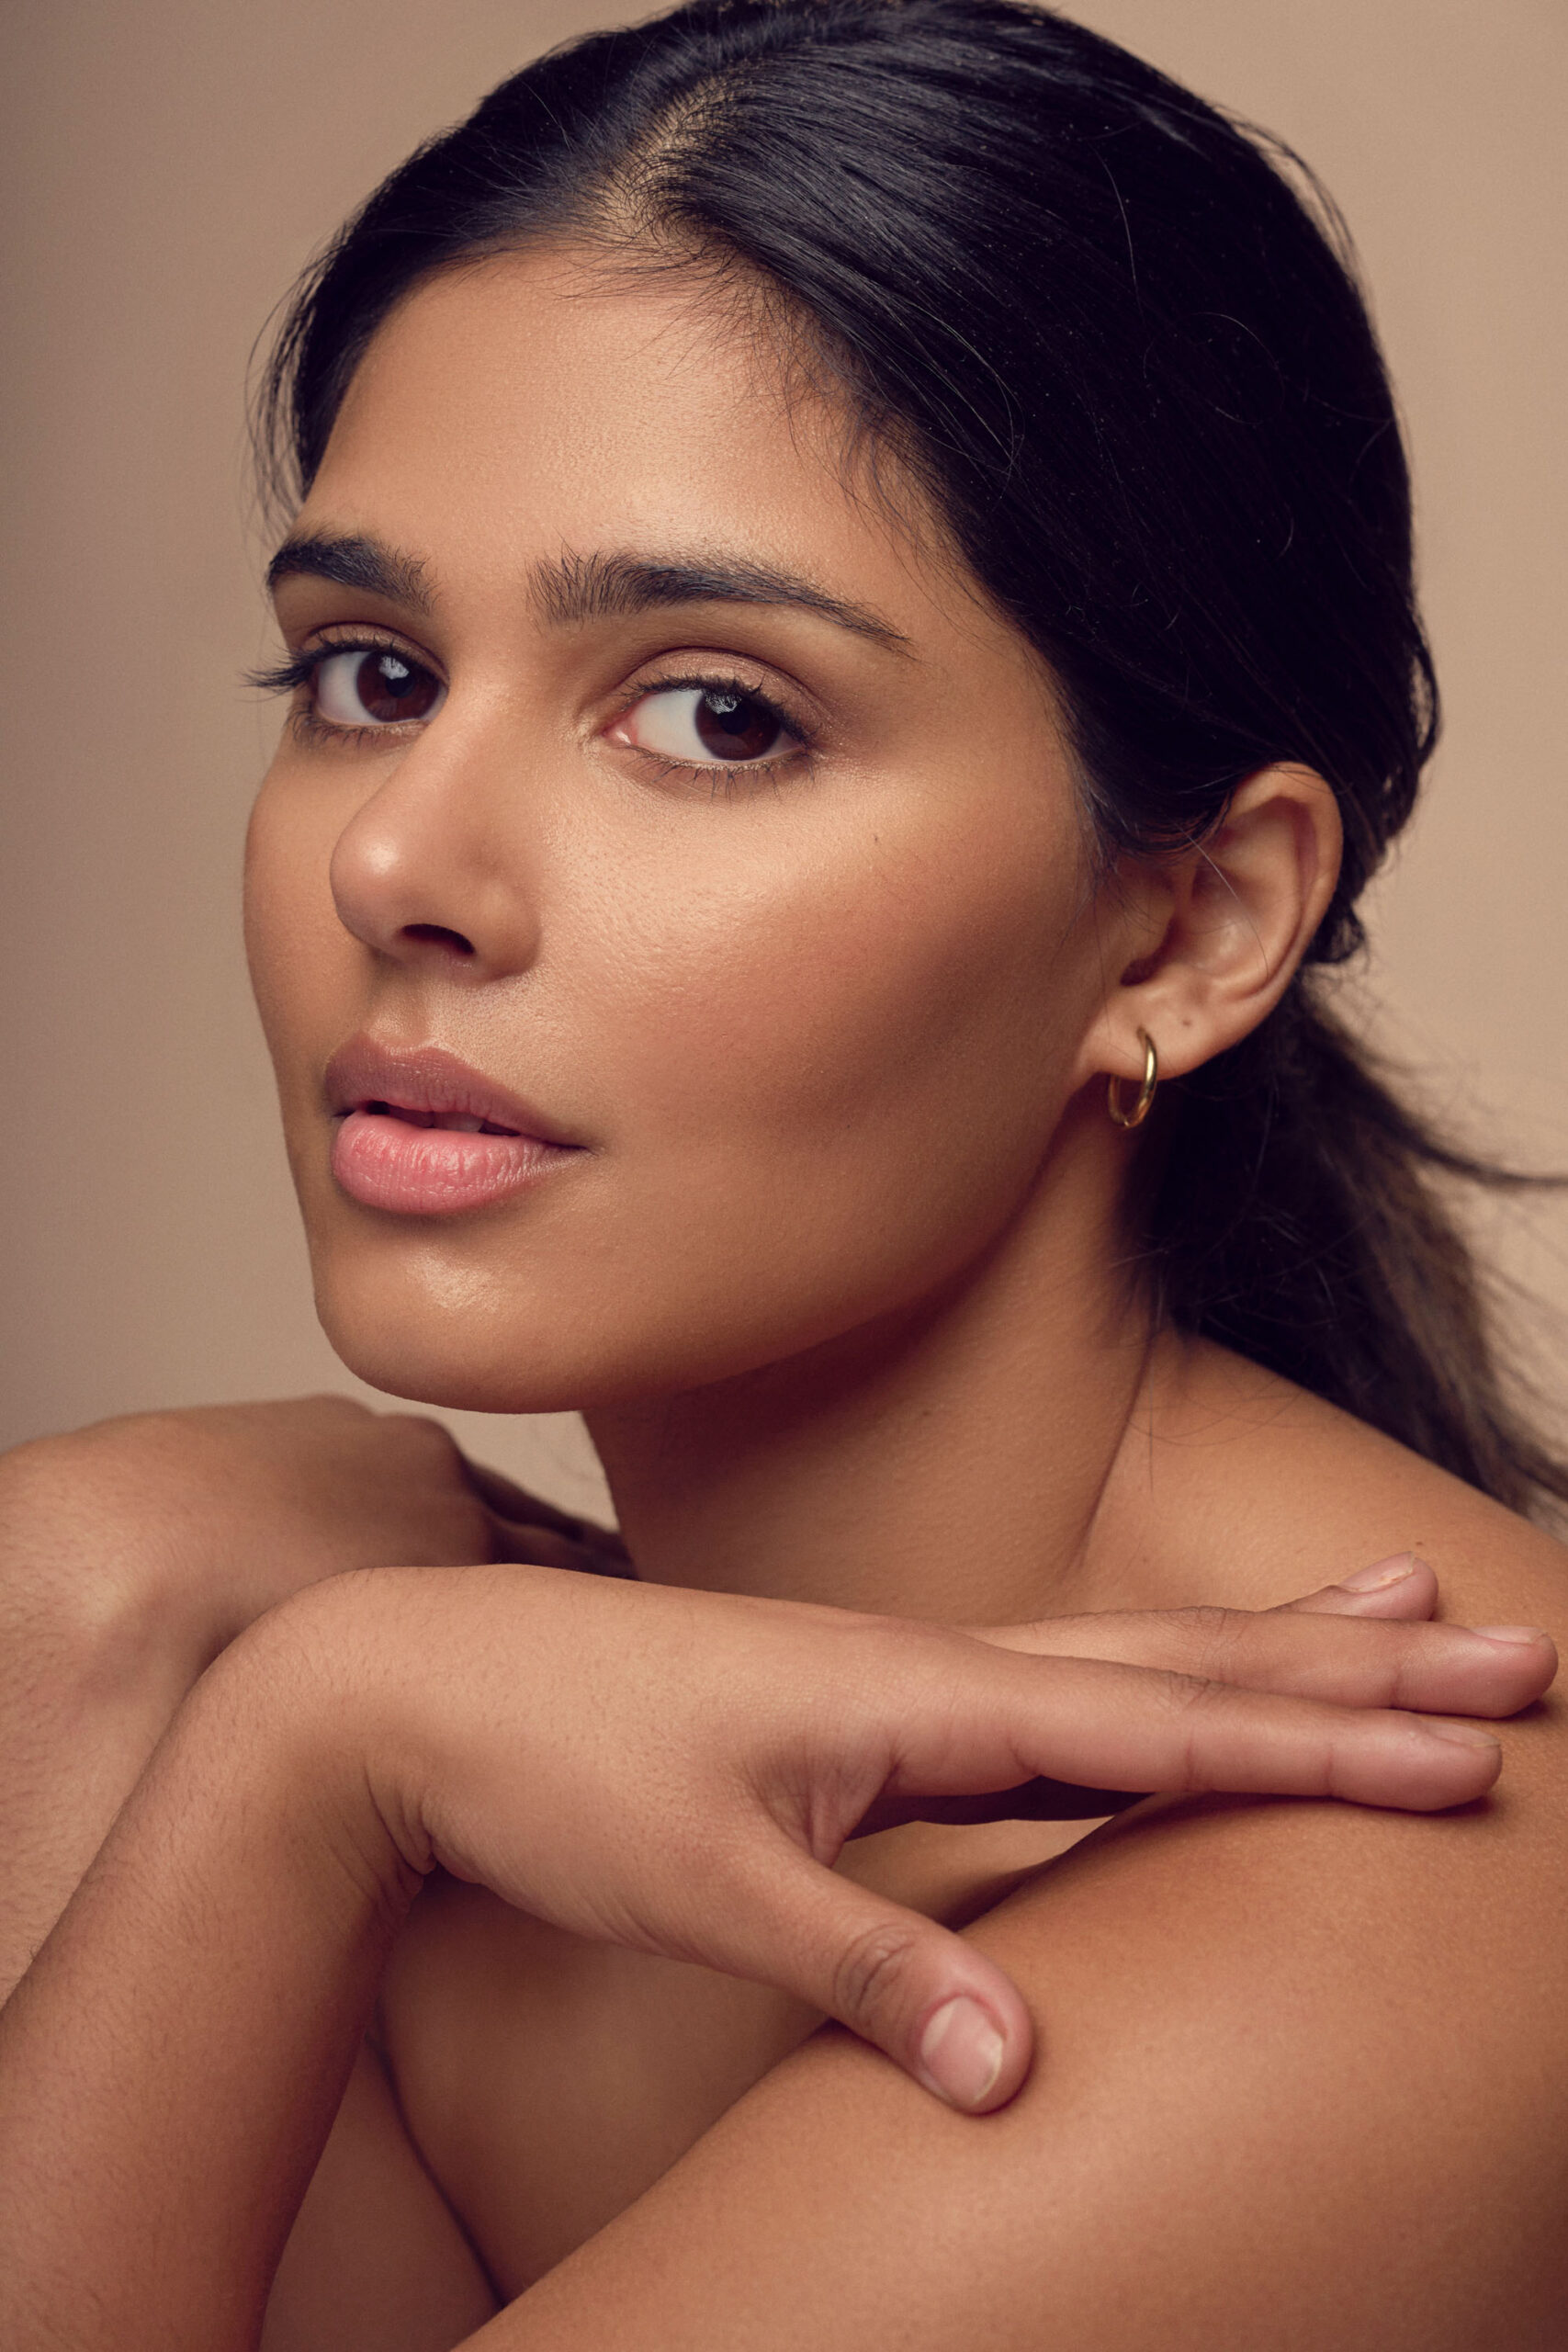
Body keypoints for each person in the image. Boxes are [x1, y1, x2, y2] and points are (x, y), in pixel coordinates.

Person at [1, 1, 1565, 2343]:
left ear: (1187, 922)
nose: (404, 860)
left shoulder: (1413, 1904)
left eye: (716, 714)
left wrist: (307, 1761)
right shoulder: (201, 1654)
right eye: (368, 672)